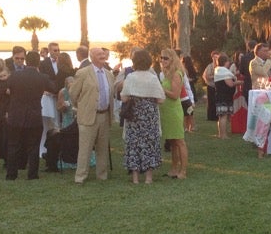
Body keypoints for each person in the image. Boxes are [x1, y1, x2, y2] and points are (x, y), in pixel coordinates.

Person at [69, 46, 116, 183]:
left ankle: (102, 175)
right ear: (92, 57)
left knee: (102, 148)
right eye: (99, 54)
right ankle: (80, 177)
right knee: (85, 148)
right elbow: (73, 93)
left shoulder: (109, 74)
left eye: (103, 53)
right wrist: (82, 107)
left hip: (105, 115)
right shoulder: (83, 73)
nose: (102, 55)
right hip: (88, 116)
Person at [5, 50, 54, 181]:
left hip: (15, 115)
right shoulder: (42, 77)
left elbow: (7, 89)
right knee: (33, 146)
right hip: (34, 115)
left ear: (26, 61)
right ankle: (32, 174)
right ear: (38, 62)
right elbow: (53, 88)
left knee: (13, 145)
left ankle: (11, 174)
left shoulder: (14, 76)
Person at [120, 49, 166, 184]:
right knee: (149, 143)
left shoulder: (130, 77)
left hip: (134, 114)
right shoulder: (152, 78)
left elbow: (123, 98)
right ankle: (148, 177)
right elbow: (161, 99)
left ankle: (135, 178)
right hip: (149, 115)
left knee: (133, 143)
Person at [158, 48, 188, 178]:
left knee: (179, 141)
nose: (163, 60)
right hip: (166, 111)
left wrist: (161, 89)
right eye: (161, 58)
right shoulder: (166, 73)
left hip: (174, 110)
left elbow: (175, 95)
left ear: (172, 59)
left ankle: (183, 171)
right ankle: (174, 168)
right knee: (172, 142)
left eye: (166, 58)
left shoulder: (176, 73)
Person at [213, 53, 238, 139]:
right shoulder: (223, 71)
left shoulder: (217, 70)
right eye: (228, 61)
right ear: (225, 62)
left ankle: (221, 133)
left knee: (221, 116)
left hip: (220, 95)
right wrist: (239, 83)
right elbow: (230, 84)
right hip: (224, 96)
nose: (229, 63)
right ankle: (223, 135)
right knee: (223, 116)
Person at [202, 51, 219, 122]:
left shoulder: (220, 66)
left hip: (218, 86)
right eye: (214, 57)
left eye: (217, 57)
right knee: (211, 101)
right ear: (212, 58)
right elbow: (206, 76)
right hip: (211, 86)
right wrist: (214, 76)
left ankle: (218, 115)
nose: (215, 59)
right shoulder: (209, 66)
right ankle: (211, 116)